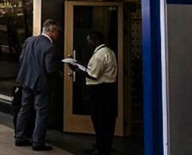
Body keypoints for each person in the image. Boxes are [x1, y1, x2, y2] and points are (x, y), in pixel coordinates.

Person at [14, 19, 61, 151]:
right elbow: (50, 68)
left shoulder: (30, 41)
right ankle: (38, 141)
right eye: (57, 32)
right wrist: (59, 74)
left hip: (26, 80)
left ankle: (20, 136)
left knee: (24, 108)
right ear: (53, 31)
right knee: (42, 112)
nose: (58, 35)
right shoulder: (49, 47)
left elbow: (22, 58)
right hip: (41, 83)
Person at [71, 32, 117, 155]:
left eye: (89, 41)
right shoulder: (109, 52)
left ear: (95, 40)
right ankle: (105, 145)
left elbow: (93, 75)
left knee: (99, 120)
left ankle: (101, 148)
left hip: (99, 92)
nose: (88, 43)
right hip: (110, 90)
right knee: (108, 121)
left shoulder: (99, 55)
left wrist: (76, 69)